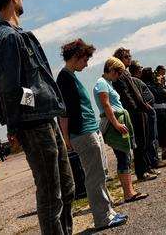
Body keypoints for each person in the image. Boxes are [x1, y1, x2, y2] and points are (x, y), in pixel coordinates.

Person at [0, 0, 75, 235]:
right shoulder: (8, 39)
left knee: (67, 187)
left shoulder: (18, 35)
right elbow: (12, 90)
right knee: (51, 193)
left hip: (45, 118)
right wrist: (32, 104)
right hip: (34, 123)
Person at [56, 39, 128, 230]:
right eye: (85, 59)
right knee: (94, 177)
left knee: (100, 175)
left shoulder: (70, 76)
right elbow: (63, 112)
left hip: (89, 130)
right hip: (82, 133)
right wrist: (66, 138)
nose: (87, 64)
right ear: (76, 57)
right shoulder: (64, 78)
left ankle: (108, 211)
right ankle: (102, 218)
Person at [93, 57, 149, 203]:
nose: (118, 77)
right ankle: (128, 193)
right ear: (112, 70)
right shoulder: (101, 83)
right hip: (114, 123)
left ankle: (129, 190)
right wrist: (117, 124)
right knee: (123, 156)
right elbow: (106, 105)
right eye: (118, 73)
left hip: (119, 120)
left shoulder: (108, 83)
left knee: (126, 155)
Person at [112, 48, 158, 181]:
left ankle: (146, 167)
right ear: (120, 59)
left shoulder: (125, 73)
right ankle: (141, 172)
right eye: (127, 57)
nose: (129, 58)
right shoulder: (120, 75)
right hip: (134, 112)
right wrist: (138, 108)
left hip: (139, 109)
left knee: (144, 140)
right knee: (139, 142)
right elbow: (127, 95)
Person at [129, 61, 166, 169]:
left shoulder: (138, 80)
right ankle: (153, 161)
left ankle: (154, 159)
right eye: (140, 67)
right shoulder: (134, 80)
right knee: (150, 138)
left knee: (154, 137)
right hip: (146, 112)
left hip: (150, 111)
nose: (141, 69)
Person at [141, 68, 166, 160]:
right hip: (157, 111)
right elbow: (160, 94)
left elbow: (165, 94)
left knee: (165, 132)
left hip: (162, 110)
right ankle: (160, 154)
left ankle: (165, 152)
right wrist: (158, 84)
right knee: (159, 134)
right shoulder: (148, 85)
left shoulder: (153, 84)